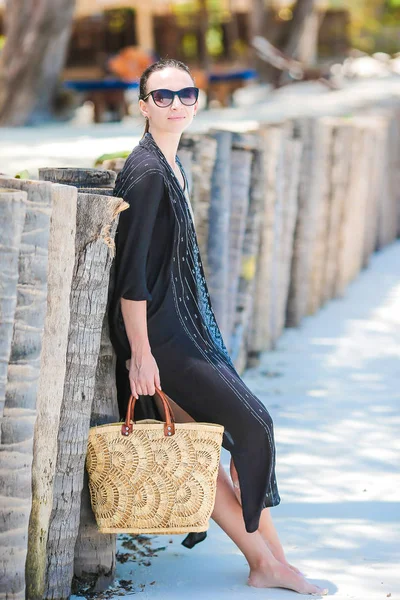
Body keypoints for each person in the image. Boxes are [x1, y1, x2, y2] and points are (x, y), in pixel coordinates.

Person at [108, 58, 328, 596]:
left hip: (176, 328)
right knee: (253, 425)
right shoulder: (149, 174)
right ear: (142, 107)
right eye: (163, 97)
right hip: (160, 337)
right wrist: (141, 353)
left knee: (198, 447)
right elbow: (130, 276)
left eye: (187, 94)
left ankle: (270, 560)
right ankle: (268, 559)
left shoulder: (169, 163)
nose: (177, 104)